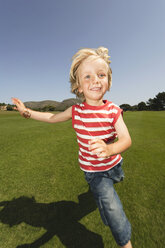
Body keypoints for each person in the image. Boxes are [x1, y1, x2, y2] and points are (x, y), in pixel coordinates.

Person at [12, 46, 133, 248]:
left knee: (117, 178)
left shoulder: (113, 111)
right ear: (78, 86)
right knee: (112, 209)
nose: (95, 80)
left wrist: (110, 149)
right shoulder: (75, 110)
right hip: (95, 172)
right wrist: (28, 112)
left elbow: (126, 139)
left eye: (101, 75)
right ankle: (125, 243)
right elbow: (51, 117)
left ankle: (113, 180)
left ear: (108, 82)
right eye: (87, 76)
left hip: (114, 163)